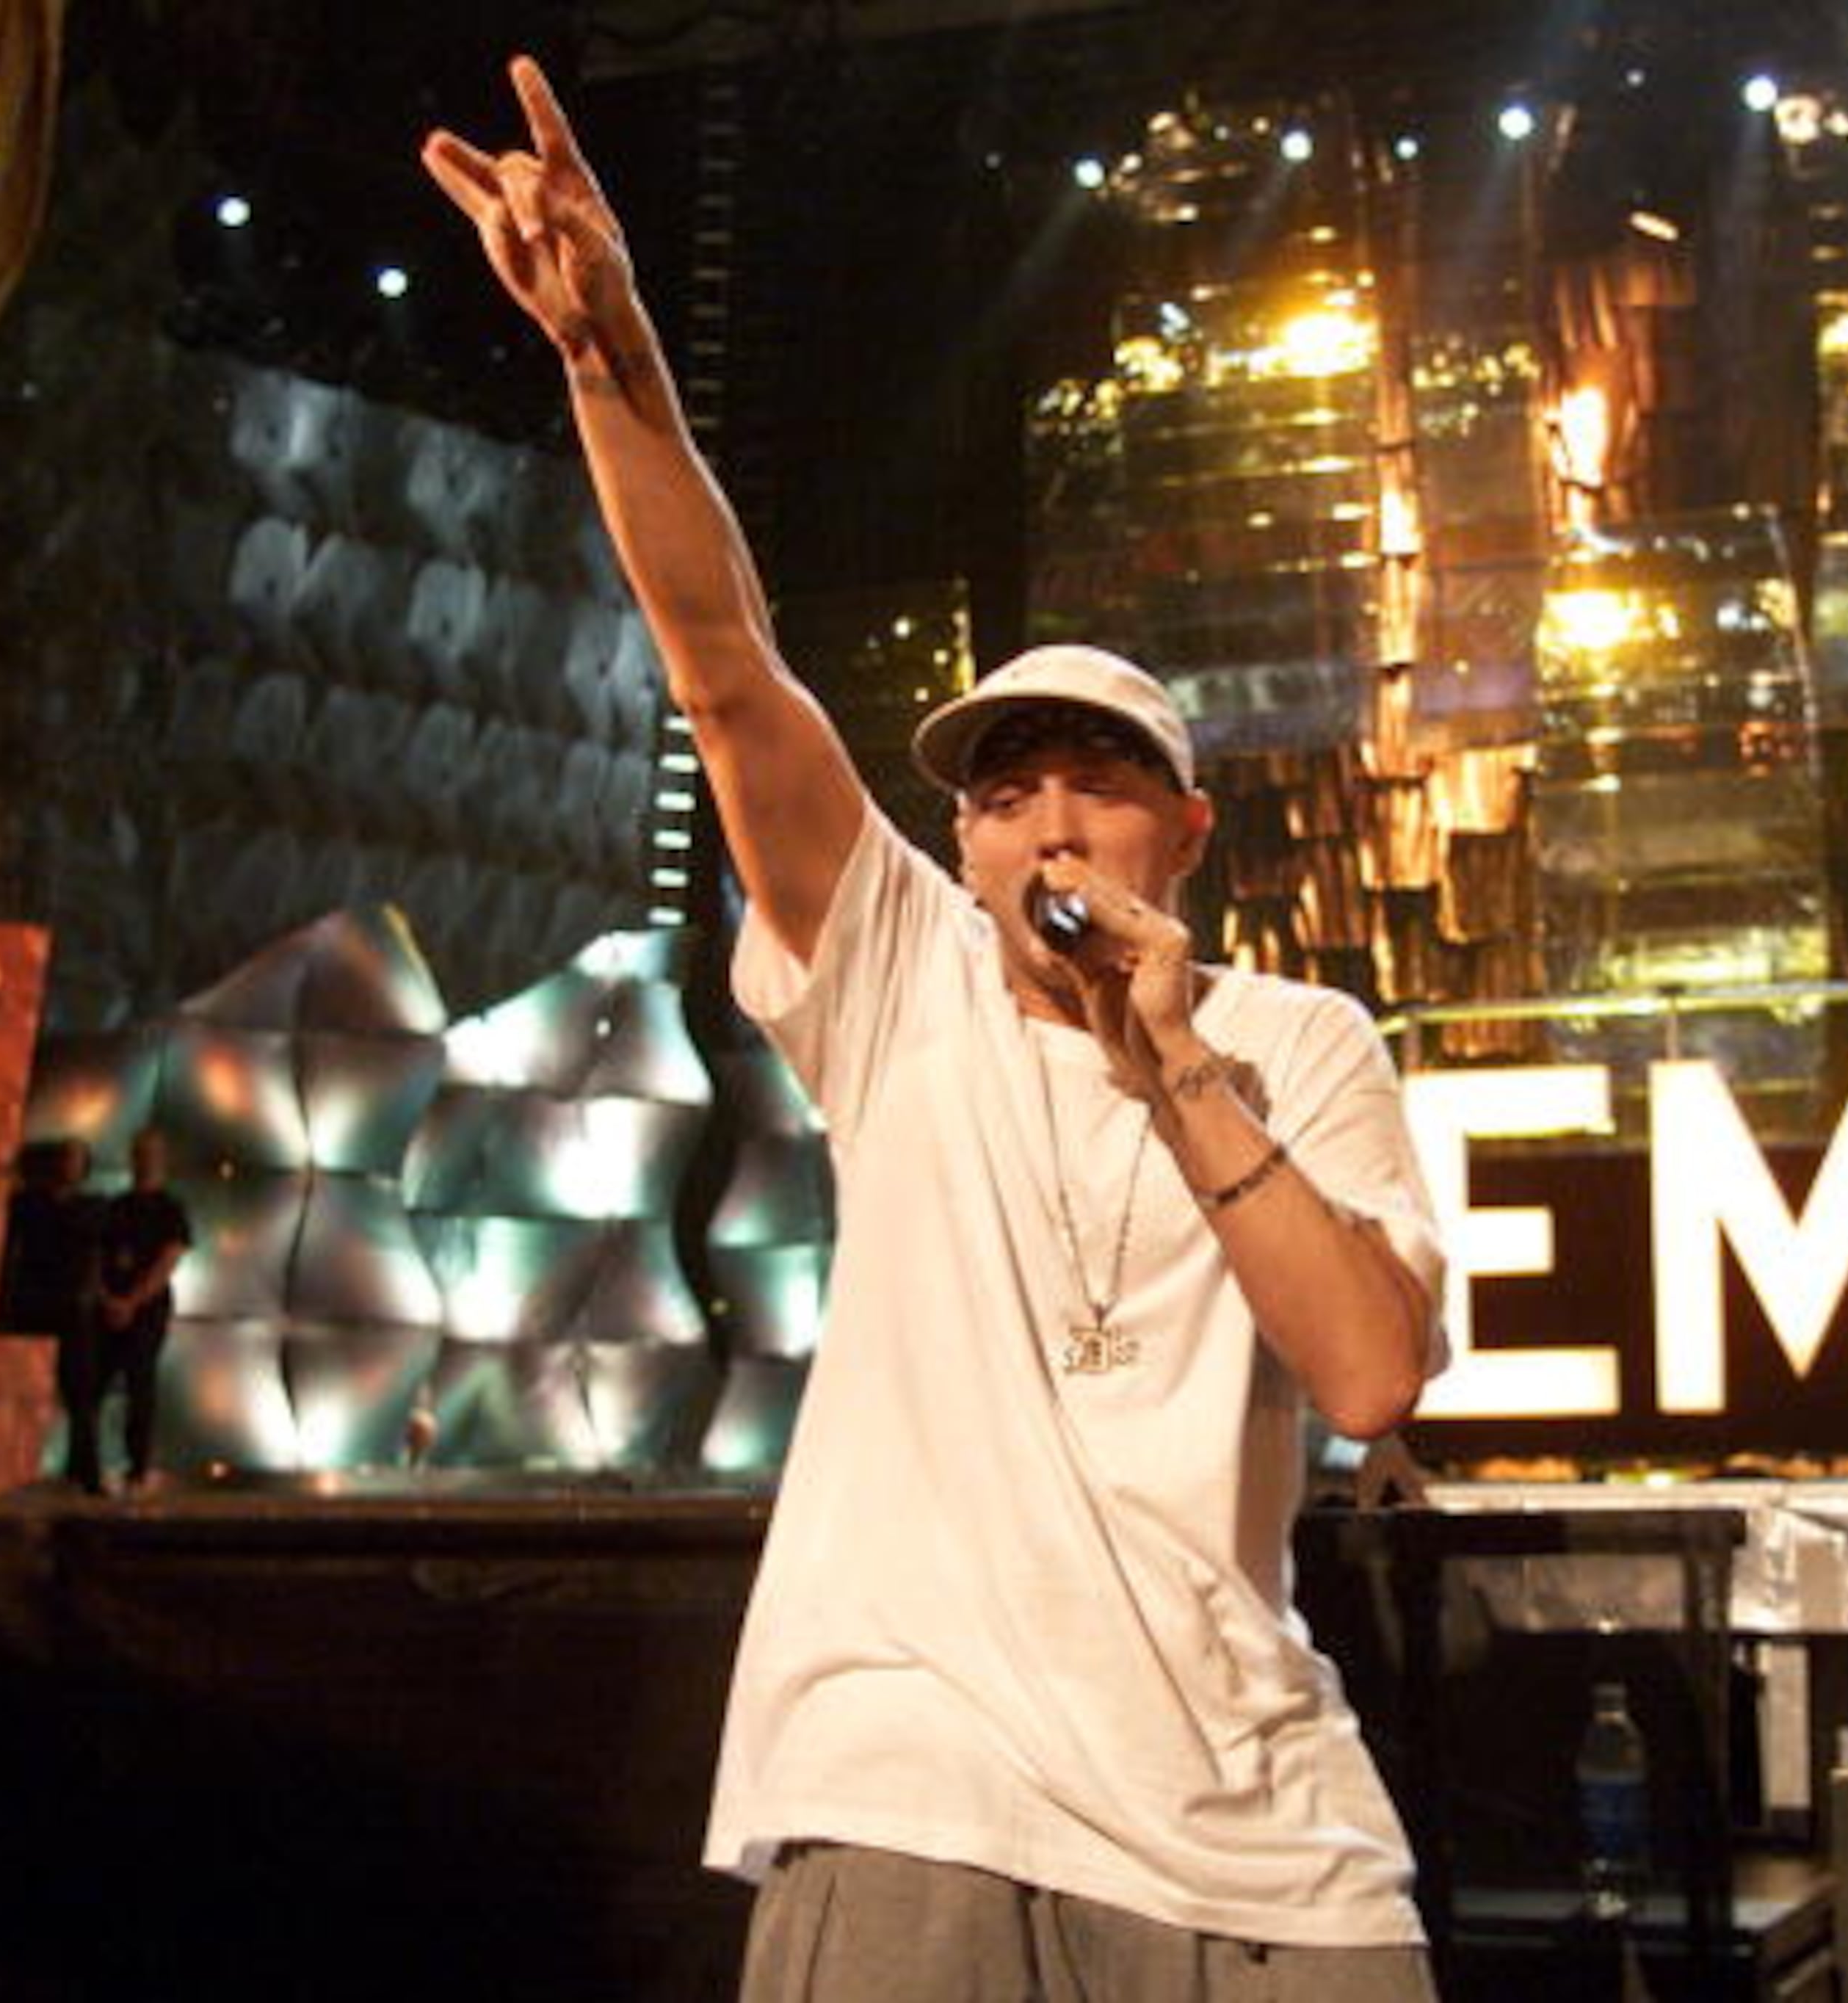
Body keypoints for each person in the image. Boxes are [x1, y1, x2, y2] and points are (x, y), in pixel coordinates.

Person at [425, 59, 1448, 2003]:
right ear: (965, 843)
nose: (1047, 821)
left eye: (1097, 782)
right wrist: (611, 355)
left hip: (1247, 1810)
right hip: (915, 1768)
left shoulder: (1297, 1042)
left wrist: (1176, 1074)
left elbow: (1373, 1378)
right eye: (1002, 792)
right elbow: (726, 670)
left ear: (1186, 830)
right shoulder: (896, 970)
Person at [0, 1136, 105, 1493]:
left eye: (75, 1160)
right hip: (33, 1304)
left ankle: (84, 1473)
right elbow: (11, 1253)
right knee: (23, 1390)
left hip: (73, 1308)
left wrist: (93, 1295)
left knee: (82, 1394)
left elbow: (98, 1256)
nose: (68, 1167)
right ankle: (14, 1469)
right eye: (64, 1159)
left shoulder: (93, 1207)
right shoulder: (28, 1204)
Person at [92, 1129, 192, 1496]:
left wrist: (132, 1302)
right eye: (139, 1152)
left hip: (147, 1312)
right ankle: (89, 1471)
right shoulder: (115, 1207)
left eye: (151, 1153)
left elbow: (169, 1259)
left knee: (140, 1387)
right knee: (92, 1387)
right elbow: (97, 1256)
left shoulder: (171, 1209)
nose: (144, 1159)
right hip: (108, 1311)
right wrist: (106, 1298)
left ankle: (137, 1471)